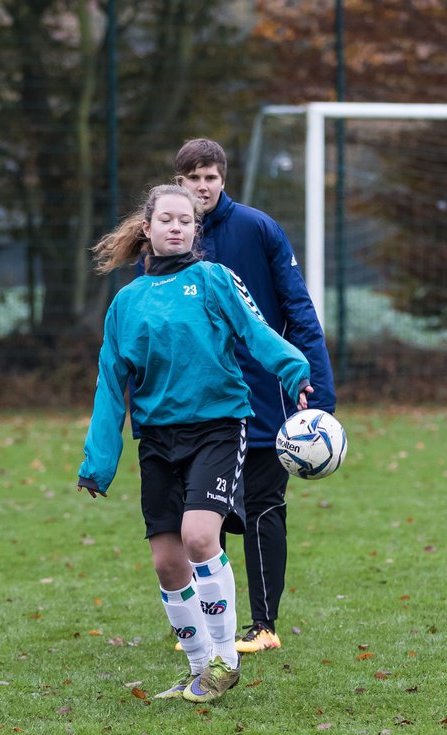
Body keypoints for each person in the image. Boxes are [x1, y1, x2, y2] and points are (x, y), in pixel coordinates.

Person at [77, 184, 312, 703]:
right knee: (166, 562)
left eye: (186, 220)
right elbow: (110, 385)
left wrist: (294, 368)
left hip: (219, 428)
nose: (177, 227)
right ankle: (199, 667)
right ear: (148, 228)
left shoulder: (212, 279)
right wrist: (98, 462)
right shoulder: (126, 302)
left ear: (195, 230)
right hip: (158, 438)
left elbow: (255, 330)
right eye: (167, 219)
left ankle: (226, 657)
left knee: (200, 538)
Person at [172, 138, 336, 655]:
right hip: (194, 400)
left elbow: (298, 309)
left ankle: (263, 625)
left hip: (263, 395)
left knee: (263, 506)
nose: (203, 186)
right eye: (193, 177)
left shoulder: (257, 228)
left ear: (224, 179)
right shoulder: (166, 237)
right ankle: (205, 621)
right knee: (201, 509)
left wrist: (320, 394)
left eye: (211, 176)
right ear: (179, 182)